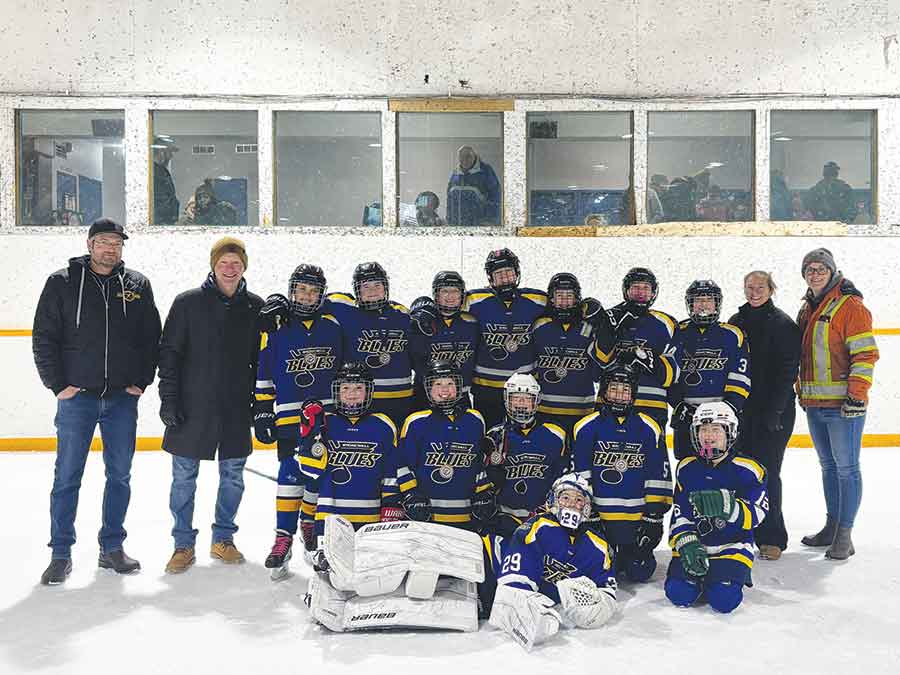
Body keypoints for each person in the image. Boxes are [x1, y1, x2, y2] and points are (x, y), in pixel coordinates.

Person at [32, 218, 161, 585]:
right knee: (67, 477)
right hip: (78, 399)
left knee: (119, 476)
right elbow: (44, 336)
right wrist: (57, 384)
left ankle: (112, 548)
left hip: (122, 399)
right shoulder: (62, 283)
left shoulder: (136, 285)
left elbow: (152, 337)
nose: (111, 249)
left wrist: (141, 380)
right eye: (104, 242)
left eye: (117, 243)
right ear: (90, 244)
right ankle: (60, 553)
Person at [158, 237, 263, 574]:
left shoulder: (255, 307)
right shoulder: (188, 303)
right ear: (213, 266)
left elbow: (261, 362)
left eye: (236, 263)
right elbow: (169, 356)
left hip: (235, 409)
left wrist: (259, 405)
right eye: (223, 263)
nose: (230, 269)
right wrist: (169, 401)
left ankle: (223, 539)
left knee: (233, 477)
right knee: (184, 478)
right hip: (192, 407)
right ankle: (182, 545)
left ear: (244, 266)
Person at [253, 264, 342, 578]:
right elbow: (264, 372)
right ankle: (282, 537)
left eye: (313, 290)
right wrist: (263, 410)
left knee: (319, 475)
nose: (306, 296)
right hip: (290, 417)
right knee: (290, 474)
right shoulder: (276, 325)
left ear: (322, 294)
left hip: (327, 418)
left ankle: (309, 523)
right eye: (300, 290)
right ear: (291, 291)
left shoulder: (333, 323)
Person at [797, 248, 878, 560]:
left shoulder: (850, 305)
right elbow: (804, 355)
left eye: (820, 269)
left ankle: (845, 533)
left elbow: (865, 354)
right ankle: (831, 527)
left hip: (844, 406)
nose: (815, 273)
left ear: (832, 271)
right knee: (828, 467)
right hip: (815, 403)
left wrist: (857, 394)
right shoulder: (808, 307)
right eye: (810, 269)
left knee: (846, 469)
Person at [296, 362, 416, 571]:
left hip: (369, 519)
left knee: (368, 574)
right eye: (346, 389)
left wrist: (391, 507)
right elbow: (311, 472)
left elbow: (391, 473)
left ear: (369, 391)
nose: (352, 394)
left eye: (358, 388)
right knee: (328, 573)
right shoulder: (326, 423)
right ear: (337, 391)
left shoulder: (383, 425)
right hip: (329, 518)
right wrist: (310, 434)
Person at [489, 474, 617, 650]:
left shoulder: (598, 545)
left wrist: (600, 608)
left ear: (587, 508)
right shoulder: (538, 527)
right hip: (491, 565)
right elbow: (514, 583)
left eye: (579, 499)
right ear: (553, 500)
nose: (572, 504)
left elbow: (606, 587)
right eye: (565, 498)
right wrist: (528, 604)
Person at [573, 362, 672, 583]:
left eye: (625, 390)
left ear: (634, 394)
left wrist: (653, 517)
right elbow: (580, 475)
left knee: (640, 571)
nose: (619, 395)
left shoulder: (650, 427)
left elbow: (658, 473)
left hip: (634, 520)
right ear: (604, 391)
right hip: (600, 519)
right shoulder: (586, 426)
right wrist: (589, 514)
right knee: (604, 568)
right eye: (614, 389)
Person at [665, 402, 768, 613]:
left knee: (724, 601)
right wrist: (686, 542)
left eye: (715, 429)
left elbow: (759, 512)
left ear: (730, 432)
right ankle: (703, 577)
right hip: (696, 542)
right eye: (703, 429)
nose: (708, 436)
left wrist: (729, 507)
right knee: (678, 594)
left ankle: (719, 577)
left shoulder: (749, 469)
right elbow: (680, 513)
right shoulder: (686, 468)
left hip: (732, 545)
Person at [728, 271, 800, 560]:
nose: (754, 291)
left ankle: (772, 537)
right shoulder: (736, 323)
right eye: (749, 287)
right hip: (741, 412)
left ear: (771, 289)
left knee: (768, 474)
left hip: (775, 412)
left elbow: (787, 373)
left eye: (760, 287)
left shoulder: (784, 324)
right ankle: (741, 530)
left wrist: (776, 411)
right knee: (739, 472)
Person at [399, 360, 492, 529]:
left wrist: (483, 492)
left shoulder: (475, 420)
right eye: (438, 384)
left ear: (458, 387)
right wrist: (411, 495)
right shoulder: (415, 422)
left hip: (467, 516)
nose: (444, 389)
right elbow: (403, 465)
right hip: (427, 519)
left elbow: (479, 463)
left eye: (450, 383)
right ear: (428, 389)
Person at [668, 280, 751, 460]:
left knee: (726, 468)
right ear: (690, 304)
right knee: (688, 467)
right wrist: (678, 404)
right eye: (698, 300)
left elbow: (741, 376)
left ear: (717, 303)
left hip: (723, 418)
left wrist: (728, 407)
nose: (703, 304)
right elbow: (669, 376)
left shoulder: (732, 334)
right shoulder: (677, 333)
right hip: (686, 417)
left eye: (708, 300)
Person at [326, 262, 414, 429]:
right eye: (366, 286)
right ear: (356, 290)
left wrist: (423, 304)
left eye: (377, 285)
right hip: (359, 399)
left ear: (386, 287)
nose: (372, 291)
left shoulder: (401, 314)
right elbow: (308, 300)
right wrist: (277, 301)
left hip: (401, 400)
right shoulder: (343, 309)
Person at [466, 249, 547, 429]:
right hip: (486, 389)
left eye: (509, 272)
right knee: (489, 441)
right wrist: (422, 308)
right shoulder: (474, 300)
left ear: (517, 273)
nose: (504, 278)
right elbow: (444, 305)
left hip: (524, 390)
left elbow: (567, 303)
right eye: (498, 274)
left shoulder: (537, 299)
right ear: (490, 277)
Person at [483, 373, 567, 538]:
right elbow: (486, 483)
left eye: (527, 399)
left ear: (536, 401)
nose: (521, 404)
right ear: (507, 399)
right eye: (516, 398)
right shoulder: (494, 435)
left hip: (543, 519)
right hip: (504, 519)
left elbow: (561, 479)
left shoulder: (556, 434)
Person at [529, 273, 598, 440]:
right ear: (551, 299)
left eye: (569, 296)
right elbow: (530, 362)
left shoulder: (589, 327)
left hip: (582, 412)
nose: (564, 301)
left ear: (577, 299)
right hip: (545, 412)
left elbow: (598, 370)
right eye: (559, 296)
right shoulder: (539, 325)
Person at [408, 271, 480, 411]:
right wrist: (418, 308)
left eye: (455, 291)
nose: (450, 296)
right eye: (444, 291)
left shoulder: (473, 323)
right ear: (436, 294)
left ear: (462, 295)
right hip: (425, 396)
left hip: (460, 396)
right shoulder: (424, 323)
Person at [446, 145, 501, 225]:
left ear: (474, 156)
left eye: (468, 156)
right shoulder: (455, 174)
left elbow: (496, 196)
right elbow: (450, 198)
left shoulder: (486, 171)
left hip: (480, 224)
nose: (465, 160)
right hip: (457, 225)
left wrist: (491, 220)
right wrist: (449, 219)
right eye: (461, 157)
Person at [152, 135, 180, 224]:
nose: (171, 156)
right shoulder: (154, 172)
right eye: (169, 152)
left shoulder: (161, 171)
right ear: (161, 152)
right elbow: (161, 203)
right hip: (160, 224)